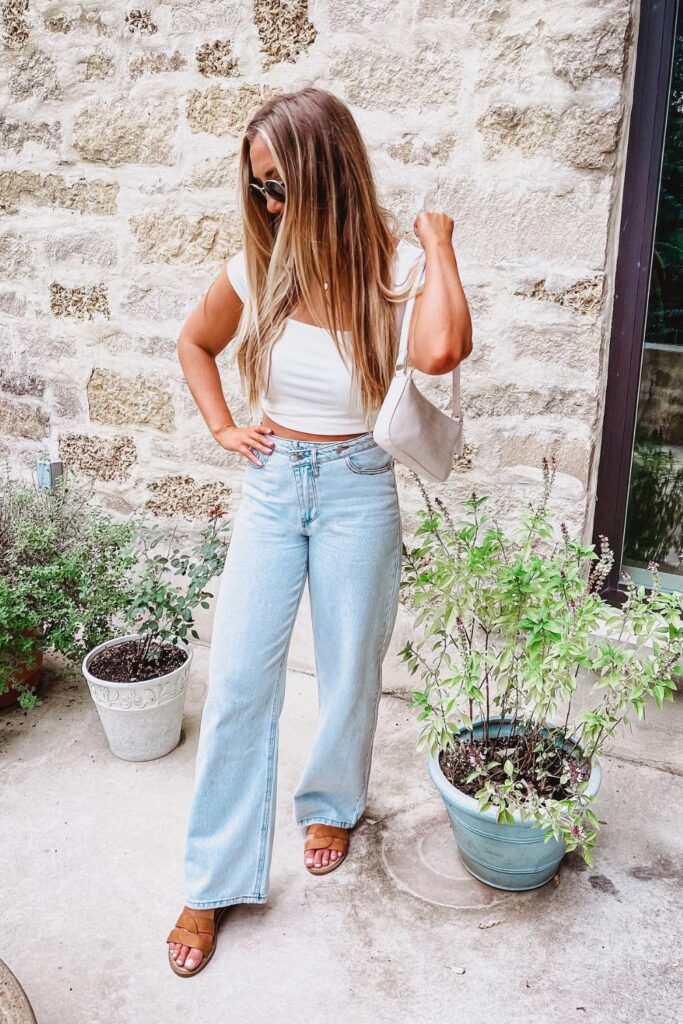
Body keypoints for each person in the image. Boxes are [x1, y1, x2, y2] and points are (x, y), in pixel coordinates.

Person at [166, 86, 473, 977]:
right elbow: (194, 343)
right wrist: (227, 428)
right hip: (271, 489)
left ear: (328, 172)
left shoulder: (394, 271)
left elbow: (442, 351)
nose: (268, 205)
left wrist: (440, 244)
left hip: (357, 489)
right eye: (259, 189)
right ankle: (212, 878)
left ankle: (331, 801)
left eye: (280, 185)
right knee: (236, 688)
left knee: (348, 668)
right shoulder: (257, 268)